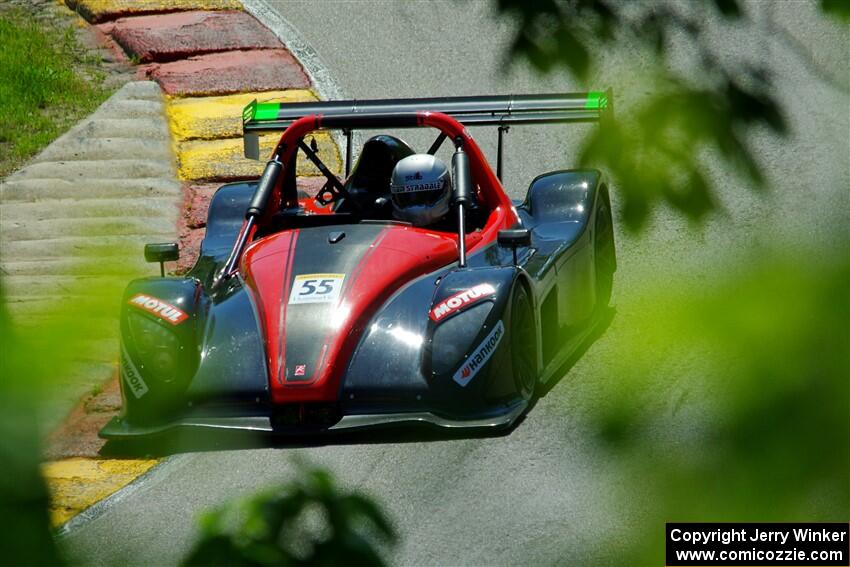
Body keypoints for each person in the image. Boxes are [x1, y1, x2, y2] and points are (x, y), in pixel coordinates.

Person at [389, 154, 453, 227]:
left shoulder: (462, 218)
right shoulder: (383, 215)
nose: (415, 209)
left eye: (423, 196)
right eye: (406, 197)